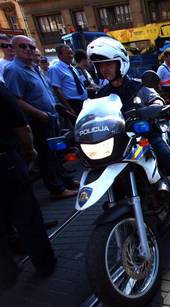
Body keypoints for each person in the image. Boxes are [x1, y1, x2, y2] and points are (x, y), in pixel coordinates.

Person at [87, 36, 170, 217]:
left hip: (146, 137)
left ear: (119, 63)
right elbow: (93, 115)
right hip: (119, 144)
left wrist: (155, 105)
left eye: (109, 64)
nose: (104, 69)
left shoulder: (138, 85)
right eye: (100, 65)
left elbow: (154, 97)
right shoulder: (101, 93)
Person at [4, 35, 78, 199]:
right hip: (37, 121)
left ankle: (65, 180)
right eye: (23, 46)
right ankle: (56, 188)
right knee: (46, 156)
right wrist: (39, 114)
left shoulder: (33, 67)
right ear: (14, 49)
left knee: (55, 153)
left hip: (50, 117)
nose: (29, 50)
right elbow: (16, 100)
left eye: (31, 47)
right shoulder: (14, 70)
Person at [0, 82, 57, 289]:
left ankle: (6, 272)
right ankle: (45, 264)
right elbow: (21, 127)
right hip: (6, 161)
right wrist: (30, 150)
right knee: (27, 215)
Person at [48, 44, 88, 114]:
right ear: (59, 55)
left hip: (83, 102)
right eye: (68, 53)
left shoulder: (72, 68)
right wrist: (69, 109)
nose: (71, 56)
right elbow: (57, 90)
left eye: (71, 53)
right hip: (73, 104)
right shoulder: (55, 69)